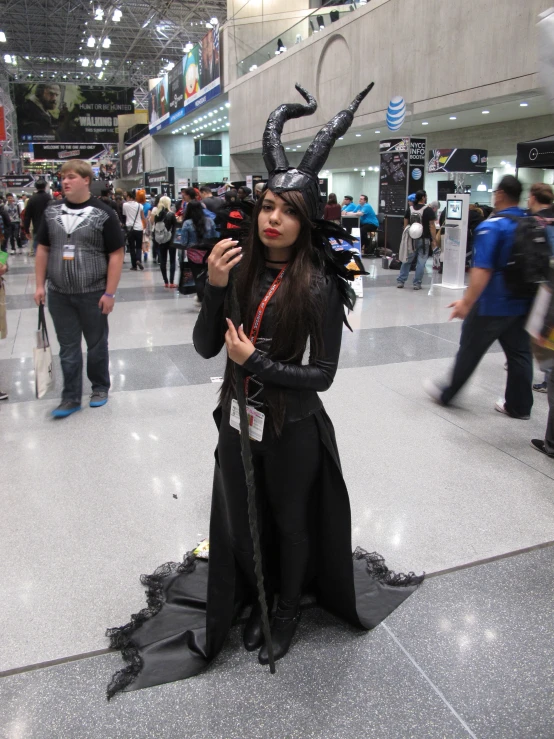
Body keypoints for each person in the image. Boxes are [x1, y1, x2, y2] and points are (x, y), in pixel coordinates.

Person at [107, 82, 421, 700]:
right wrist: (215, 287)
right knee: (238, 518)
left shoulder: (323, 284)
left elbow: (323, 376)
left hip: (293, 425)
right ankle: (253, 589)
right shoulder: (239, 266)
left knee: (291, 521)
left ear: (308, 220)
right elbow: (205, 347)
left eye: (288, 211)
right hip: (234, 419)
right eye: (267, 206)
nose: (273, 219)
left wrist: (262, 365)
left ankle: (287, 612)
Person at [424, 175, 534, 418]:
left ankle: (447, 393)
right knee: (520, 354)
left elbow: (482, 270)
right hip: (523, 302)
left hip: (492, 304)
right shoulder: (530, 222)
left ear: (502, 194)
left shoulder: (492, 227)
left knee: (470, 349)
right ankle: (520, 406)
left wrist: (466, 302)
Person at [33, 159, 124, 418]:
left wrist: (110, 292)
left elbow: (116, 254)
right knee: (68, 347)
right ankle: (70, 397)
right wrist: (40, 285)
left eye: (72, 177)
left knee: (96, 344)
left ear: (86, 180)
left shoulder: (103, 213)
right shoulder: (51, 212)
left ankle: (99, 387)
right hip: (59, 294)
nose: (65, 181)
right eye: (63, 177)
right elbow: (43, 249)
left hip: (93, 292)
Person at [397, 190, 437, 290]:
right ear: (423, 197)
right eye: (426, 196)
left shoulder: (410, 209)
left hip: (411, 240)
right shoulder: (428, 210)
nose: (426, 198)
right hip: (424, 239)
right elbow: (432, 226)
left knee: (407, 260)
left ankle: (401, 281)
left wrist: (406, 235)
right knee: (421, 262)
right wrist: (434, 240)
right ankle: (417, 283)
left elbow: (406, 224)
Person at [180, 199, 217, 301]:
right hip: (208, 253)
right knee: (208, 276)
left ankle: (201, 299)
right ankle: (209, 297)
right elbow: (215, 236)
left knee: (198, 277)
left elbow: (183, 242)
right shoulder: (210, 221)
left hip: (193, 255)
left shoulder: (187, 223)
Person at [153, 195, 178, 288]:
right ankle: (171, 282)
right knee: (172, 260)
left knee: (163, 260)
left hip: (160, 239)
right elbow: (175, 227)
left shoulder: (157, 214)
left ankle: (166, 282)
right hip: (171, 239)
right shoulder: (171, 214)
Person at [23, 179, 52, 256]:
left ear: (36, 187)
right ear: (45, 187)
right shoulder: (49, 198)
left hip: (37, 228)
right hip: (49, 228)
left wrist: (26, 230)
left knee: (37, 249)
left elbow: (27, 216)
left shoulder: (32, 199)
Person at [122, 189, 146, 271]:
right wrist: (145, 226)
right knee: (139, 246)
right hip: (139, 228)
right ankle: (138, 260)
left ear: (128, 196)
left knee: (132, 247)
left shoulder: (125, 205)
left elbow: (124, 215)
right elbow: (143, 217)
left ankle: (134, 265)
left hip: (130, 228)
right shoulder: (140, 206)